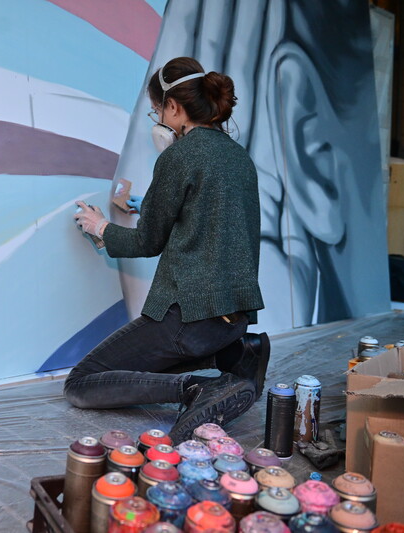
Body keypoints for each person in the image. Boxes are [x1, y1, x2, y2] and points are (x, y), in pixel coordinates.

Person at [67, 57, 269, 444]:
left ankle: (197, 388)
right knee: (153, 357)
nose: (157, 119)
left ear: (173, 107)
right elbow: (211, 214)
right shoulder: (238, 157)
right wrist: (146, 205)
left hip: (187, 319)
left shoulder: (178, 156)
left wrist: (101, 227)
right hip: (231, 319)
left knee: (81, 383)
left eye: (157, 109)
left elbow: (147, 242)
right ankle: (237, 355)